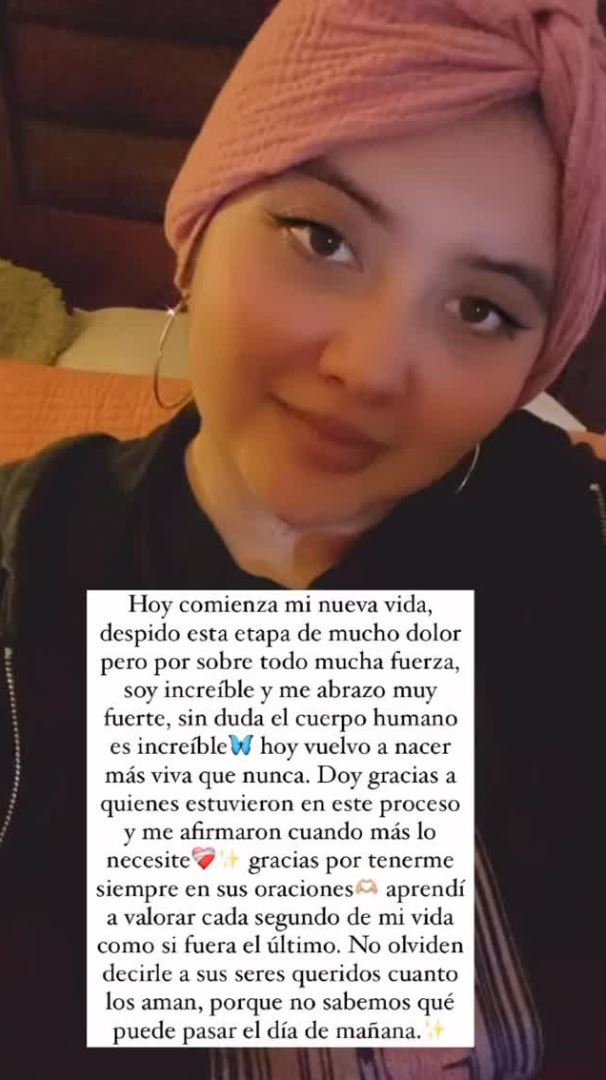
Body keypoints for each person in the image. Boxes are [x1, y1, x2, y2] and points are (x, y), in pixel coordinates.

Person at [1, 0, 605, 1077]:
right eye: (323, 239)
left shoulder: (559, 523)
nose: (370, 370)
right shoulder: (34, 558)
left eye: (480, 309)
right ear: (203, 223)